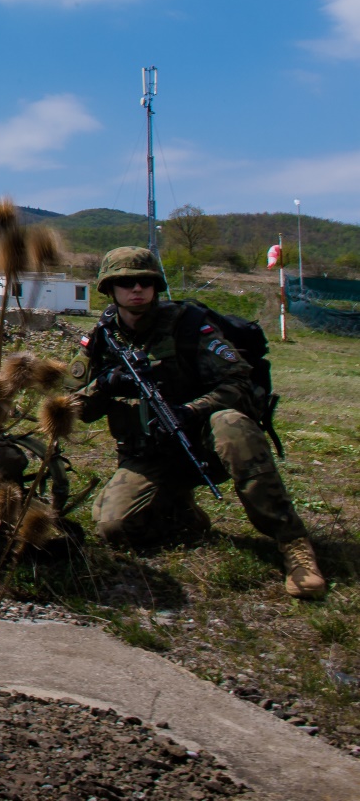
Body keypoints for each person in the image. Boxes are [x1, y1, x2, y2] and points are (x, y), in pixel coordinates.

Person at [74, 246, 325, 599]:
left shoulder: (189, 325)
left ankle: (293, 543)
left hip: (205, 442)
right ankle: (180, 511)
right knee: (114, 529)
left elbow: (238, 383)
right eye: (126, 282)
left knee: (232, 424)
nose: (137, 289)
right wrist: (105, 384)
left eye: (145, 282)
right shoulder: (101, 339)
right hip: (150, 452)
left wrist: (190, 411)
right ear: (109, 289)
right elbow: (72, 407)